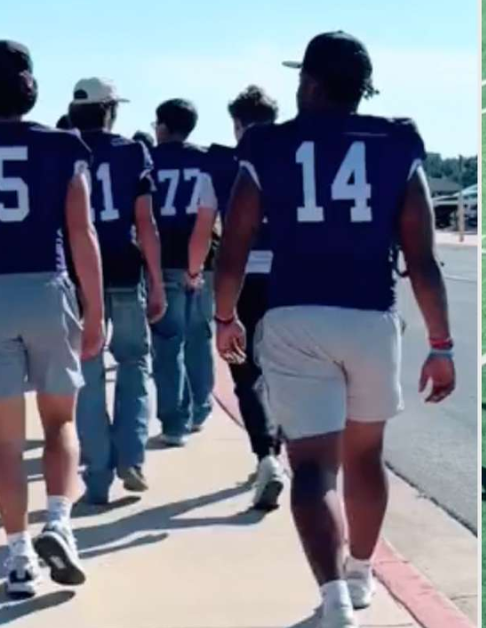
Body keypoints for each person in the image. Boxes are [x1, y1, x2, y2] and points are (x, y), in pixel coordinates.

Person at [213, 32, 455, 628]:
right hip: (370, 313)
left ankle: (334, 598)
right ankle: (362, 573)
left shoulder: (268, 143)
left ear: (313, 84)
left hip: (296, 316)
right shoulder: (396, 141)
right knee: (365, 454)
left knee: (315, 467)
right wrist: (442, 344)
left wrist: (224, 316)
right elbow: (421, 256)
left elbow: (236, 241)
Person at [0, 40, 104, 598]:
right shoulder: (63, 147)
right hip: (46, 286)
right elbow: (82, 232)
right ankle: (59, 522)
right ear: (31, 87)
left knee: (5, 442)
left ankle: (18, 558)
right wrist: (95, 306)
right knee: (61, 423)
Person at [68, 77, 167, 504]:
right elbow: (145, 223)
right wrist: (158, 282)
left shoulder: (62, 148)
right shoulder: (132, 151)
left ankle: (96, 474)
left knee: (87, 375)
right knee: (133, 363)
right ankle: (132, 455)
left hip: (76, 274)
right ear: (110, 110)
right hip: (125, 269)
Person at [210, 84, 287, 511]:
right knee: (291, 372)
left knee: (245, 373)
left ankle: (267, 456)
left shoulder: (224, 164)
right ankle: (284, 451)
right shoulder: (297, 156)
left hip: (243, 277)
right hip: (291, 276)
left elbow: (210, 224)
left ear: (238, 125)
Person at [149, 98, 218, 447]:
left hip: (163, 258)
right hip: (201, 257)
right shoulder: (205, 158)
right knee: (198, 336)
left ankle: (175, 420)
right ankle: (201, 406)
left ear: (162, 126)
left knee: (167, 343)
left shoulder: (150, 160)